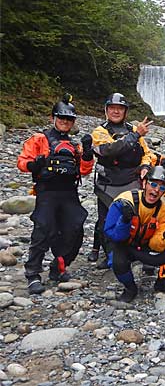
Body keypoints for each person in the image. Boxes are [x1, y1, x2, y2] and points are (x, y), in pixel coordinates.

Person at [17, 95, 94, 294]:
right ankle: (33, 273)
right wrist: (34, 164)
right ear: (53, 118)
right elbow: (22, 162)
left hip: (69, 193)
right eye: (61, 118)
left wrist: (87, 154)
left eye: (68, 120)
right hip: (47, 193)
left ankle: (58, 267)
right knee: (43, 231)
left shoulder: (73, 145)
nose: (65, 122)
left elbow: (84, 170)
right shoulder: (39, 139)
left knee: (75, 231)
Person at [90, 93, 157, 268]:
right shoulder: (99, 131)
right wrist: (134, 136)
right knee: (107, 223)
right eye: (112, 108)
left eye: (120, 108)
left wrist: (145, 167)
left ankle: (138, 253)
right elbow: (109, 150)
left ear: (125, 111)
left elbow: (147, 154)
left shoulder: (134, 131)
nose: (116, 111)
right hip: (108, 185)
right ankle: (111, 255)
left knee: (137, 219)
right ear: (106, 110)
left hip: (132, 182)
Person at [103, 166, 165, 302]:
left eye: (162, 188)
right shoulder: (124, 201)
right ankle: (130, 288)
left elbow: (156, 245)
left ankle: (161, 283)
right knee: (117, 261)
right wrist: (125, 221)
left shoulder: (164, 212)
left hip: (144, 245)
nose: (156, 190)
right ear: (144, 183)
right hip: (124, 244)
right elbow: (112, 234)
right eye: (153, 184)